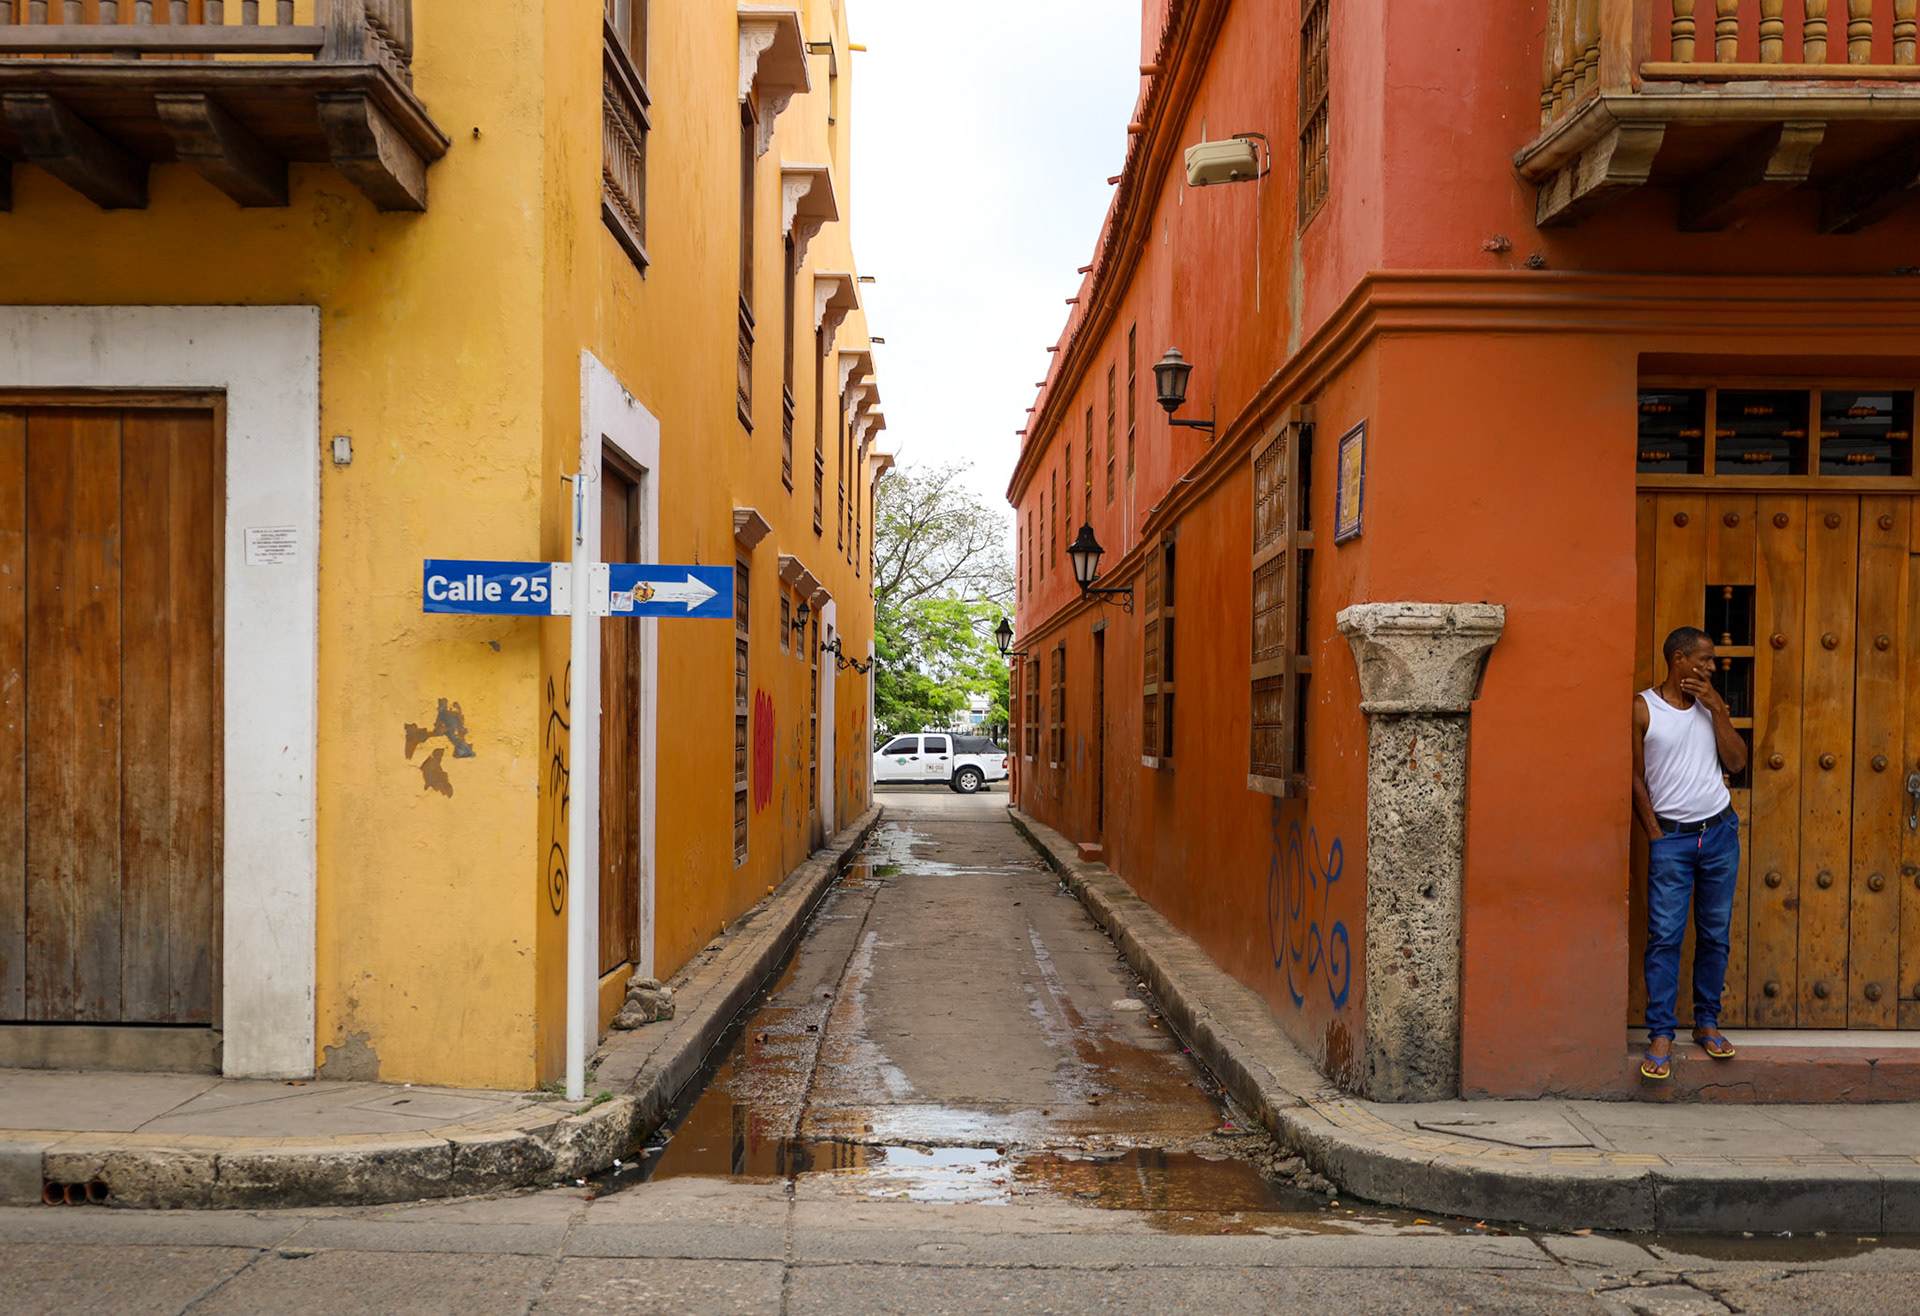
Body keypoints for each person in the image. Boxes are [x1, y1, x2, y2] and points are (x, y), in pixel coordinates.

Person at [1630, 625, 1749, 1080]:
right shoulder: (1644, 709)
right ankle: (1661, 1032)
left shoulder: (1711, 707)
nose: (1712, 667)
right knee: (1664, 937)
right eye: (1704, 660)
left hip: (1719, 832)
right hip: (1672, 841)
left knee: (1715, 934)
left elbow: (1736, 763)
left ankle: (1706, 1022)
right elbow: (1635, 778)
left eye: (1713, 661)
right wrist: (1656, 834)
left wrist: (1717, 706)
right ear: (1678, 660)